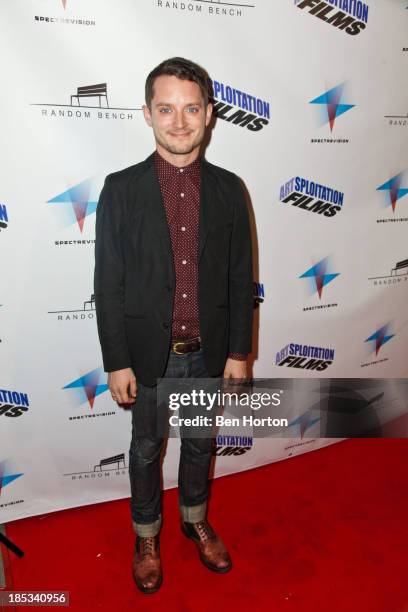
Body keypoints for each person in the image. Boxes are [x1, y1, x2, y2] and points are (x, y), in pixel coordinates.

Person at [94, 57, 253, 594]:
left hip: (207, 354)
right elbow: (108, 282)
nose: (179, 122)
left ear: (209, 114)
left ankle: (194, 518)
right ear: (147, 114)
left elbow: (239, 278)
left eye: (191, 109)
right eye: (167, 109)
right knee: (144, 449)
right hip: (147, 356)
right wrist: (116, 360)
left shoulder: (232, 190)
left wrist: (239, 351)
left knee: (201, 444)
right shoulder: (120, 190)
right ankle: (146, 535)